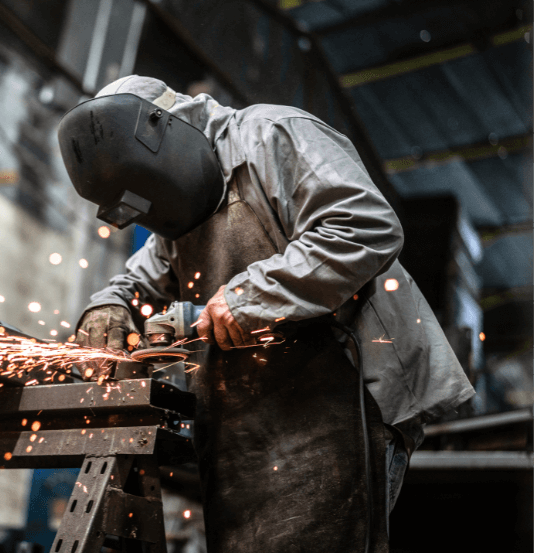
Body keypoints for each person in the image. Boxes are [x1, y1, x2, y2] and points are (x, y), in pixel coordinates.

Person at [56, 75, 475, 553]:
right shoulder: (174, 213)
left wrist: (246, 299)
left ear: (166, 133)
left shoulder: (273, 135)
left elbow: (364, 226)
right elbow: (135, 283)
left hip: (342, 401)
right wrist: (108, 307)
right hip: (245, 423)